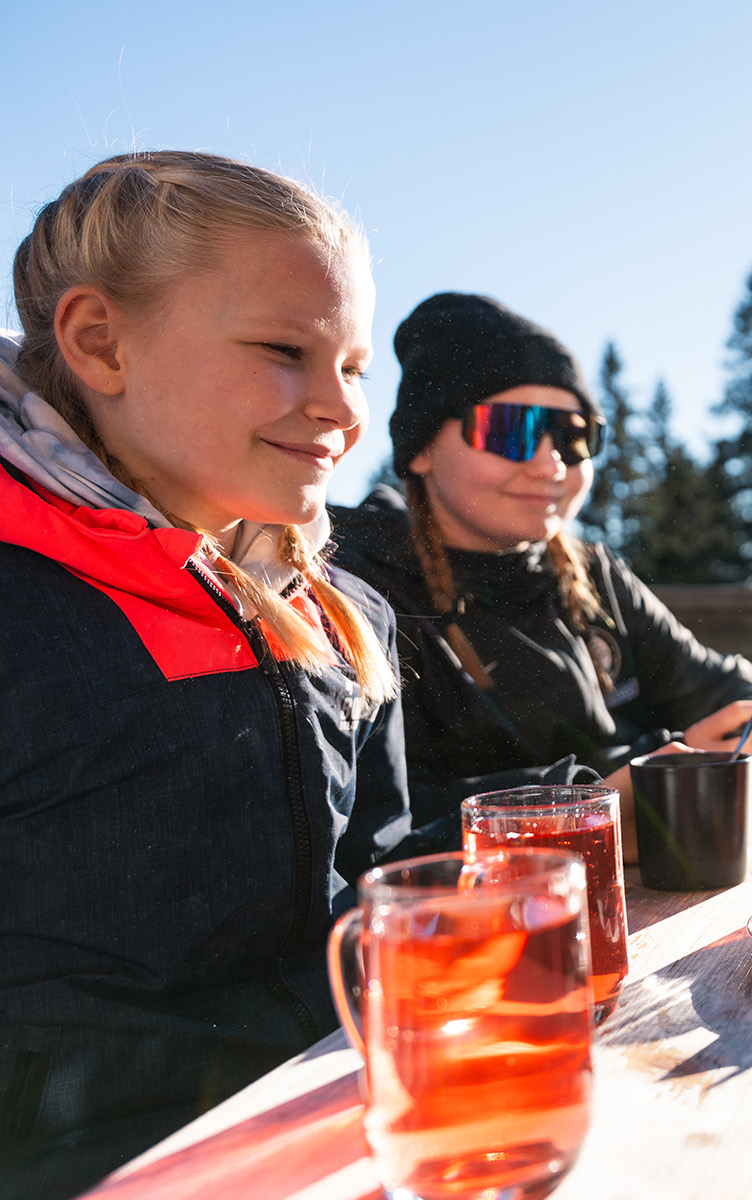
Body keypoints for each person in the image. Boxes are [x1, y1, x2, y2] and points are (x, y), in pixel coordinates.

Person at [0, 152, 417, 1198]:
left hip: (339, 1124)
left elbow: (382, 868)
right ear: (101, 341)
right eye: (286, 350)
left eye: (354, 366)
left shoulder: (337, 610)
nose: (342, 410)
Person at [329, 292, 752, 853]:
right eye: (509, 430)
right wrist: (608, 803)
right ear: (420, 448)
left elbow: (721, 688)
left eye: (575, 438)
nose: (550, 464)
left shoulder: (593, 577)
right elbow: (377, 821)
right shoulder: (359, 591)